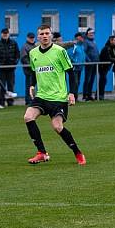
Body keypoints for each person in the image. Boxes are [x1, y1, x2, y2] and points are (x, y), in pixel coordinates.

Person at [24, 25, 86, 165]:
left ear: (51, 35)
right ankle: (41, 153)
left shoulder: (60, 51)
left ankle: (77, 152)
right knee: (28, 117)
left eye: (47, 33)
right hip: (42, 96)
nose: (45, 36)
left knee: (57, 127)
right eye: (42, 34)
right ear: (38, 37)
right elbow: (34, 71)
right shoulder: (33, 53)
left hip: (58, 97)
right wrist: (32, 85)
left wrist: (72, 93)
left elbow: (71, 73)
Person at [0, 28, 19, 100]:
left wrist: (14, 63)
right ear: (1, 34)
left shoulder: (14, 43)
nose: (5, 35)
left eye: (6, 33)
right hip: (1, 69)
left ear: (8, 34)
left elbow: (17, 54)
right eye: (4, 33)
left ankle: (10, 102)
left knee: (11, 85)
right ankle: (2, 101)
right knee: (1, 85)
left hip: (11, 68)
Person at [98, 35, 115, 100]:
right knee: (103, 80)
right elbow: (108, 58)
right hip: (102, 66)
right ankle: (100, 95)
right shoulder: (106, 48)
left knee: (103, 80)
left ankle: (100, 95)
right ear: (111, 41)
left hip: (107, 67)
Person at [20, 32, 38, 105]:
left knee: (34, 85)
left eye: (33, 38)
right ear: (27, 38)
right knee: (29, 85)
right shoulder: (25, 46)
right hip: (29, 70)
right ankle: (28, 100)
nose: (32, 39)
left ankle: (33, 99)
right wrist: (32, 66)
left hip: (36, 69)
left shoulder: (35, 46)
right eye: (30, 38)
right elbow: (24, 59)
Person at [82, 28, 98, 101]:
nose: (92, 34)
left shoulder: (94, 42)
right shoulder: (86, 42)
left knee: (92, 79)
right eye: (90, 33)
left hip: (95, 63)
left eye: (93, 33)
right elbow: (84, 52)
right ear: (87, 34)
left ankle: (89, 94)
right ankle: (85, 95)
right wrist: (89, 60)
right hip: (90, 63)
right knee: (87, 79)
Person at [69, 32, 86, 99]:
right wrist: (75, 62)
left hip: (80, 67)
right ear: (78, 38)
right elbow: (69, 55)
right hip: (74, 67)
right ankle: (73, 97)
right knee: (75, 83)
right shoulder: (73, 45)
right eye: (81, 37)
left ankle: (75, 97)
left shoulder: (81, 46)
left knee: (77, 83)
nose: (83, 38)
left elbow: (82, 56)